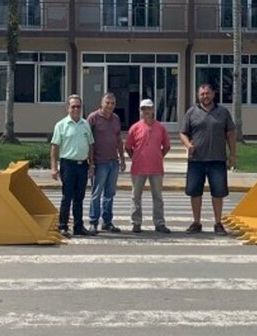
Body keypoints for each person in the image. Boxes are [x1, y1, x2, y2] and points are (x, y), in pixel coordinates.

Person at [179, 82, 236, 234]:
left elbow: (230, 133)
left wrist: (232, 155)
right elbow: (183, 133)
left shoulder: (223, 112)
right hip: (196, 160)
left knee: (218, 192)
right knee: (194, 192)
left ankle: (218, 223)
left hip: (217, 159)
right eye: (202, 94)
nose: (205, 96)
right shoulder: (191, 112)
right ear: (198, 96)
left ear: (213, 94)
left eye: (208, 93)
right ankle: (196, 222)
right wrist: (187, 145)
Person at [49, 94, 94, 237]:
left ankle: (78, 226)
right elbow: (54, 147)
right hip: (68, 165)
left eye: (78, 106)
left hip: (82, 166)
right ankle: (63, 226)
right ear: (68, 108)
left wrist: (91, 164)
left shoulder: (85, 124)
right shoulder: (61, 125)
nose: (76, 109)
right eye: (73, 106)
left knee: (79, 197)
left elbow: (91, 145)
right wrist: (54, 167)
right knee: (67, 196)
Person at [125, 98, 172, 234]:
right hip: (138, 167)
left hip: (156, 167)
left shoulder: (160, 127)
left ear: (153, 110)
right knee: (136, 196)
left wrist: (159, 156)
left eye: (149, 108)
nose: (146, 111)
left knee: (157, 196)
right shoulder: (135, 127)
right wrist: (134, 157)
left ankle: (159, 223)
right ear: (140, 111)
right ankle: (136, 222)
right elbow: (128, 146)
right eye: (144, 109)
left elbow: (167, 146)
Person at [87, 92, 125, 234]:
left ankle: (107, 222)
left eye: (112, 103)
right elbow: (88, 141)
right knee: (96, 193)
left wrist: (121, 159)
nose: (110, 106)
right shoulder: (93, 118)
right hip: (99, 162)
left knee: (110, 193)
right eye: (107, 103)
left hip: (113, 162)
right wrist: (90, 162)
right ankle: (93, 222)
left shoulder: (115, 118)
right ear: (101, 103)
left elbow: (119, 140)